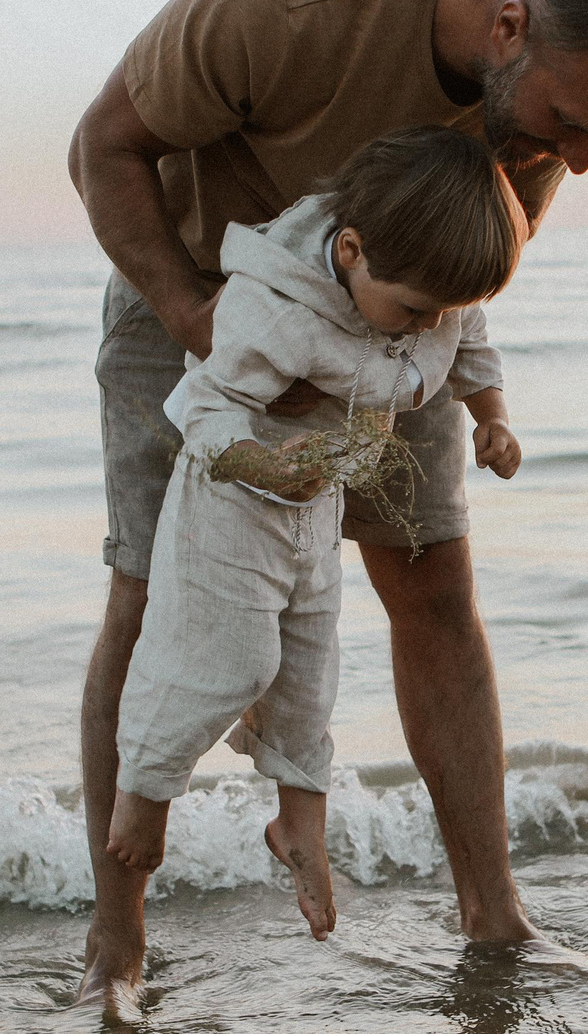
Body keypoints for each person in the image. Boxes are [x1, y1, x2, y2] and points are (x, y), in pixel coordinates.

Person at [68, 0, 588, 1018]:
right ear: (509, 28)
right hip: (201, 286)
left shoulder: (546, 103)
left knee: (433, 582)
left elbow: (482, 270)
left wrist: (462, 391)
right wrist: (201, 321)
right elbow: (105, 147)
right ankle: (115, 941)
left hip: (401, 303)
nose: (574, 159)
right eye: (571, 125)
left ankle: (494, 918)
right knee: (150, 591)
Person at [104, 127, 527, 941]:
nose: (425, 326)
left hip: (313, 496)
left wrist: (493, 418)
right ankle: (144, 789)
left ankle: (299, 821)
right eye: (411, 309)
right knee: (229, 659)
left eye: (438, 310)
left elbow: (468, 340)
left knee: (309, 670)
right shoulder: (273, 305)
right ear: (351, 249)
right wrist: (264, 467)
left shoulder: (428, 288)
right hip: (228, 497)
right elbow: (206, 408)